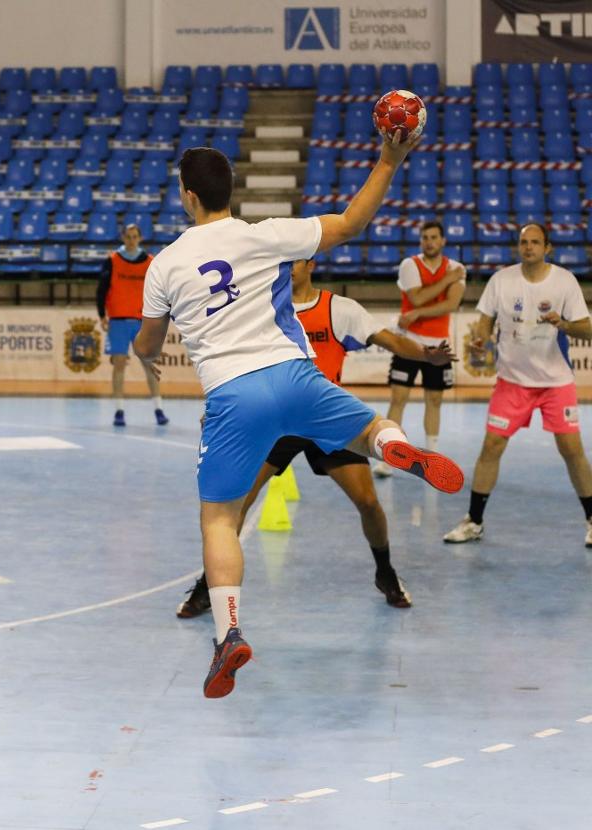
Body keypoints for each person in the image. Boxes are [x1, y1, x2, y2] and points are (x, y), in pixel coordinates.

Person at [133, 138, 464, 699]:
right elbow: (350, 223)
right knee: (366, 429)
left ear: (187, 197)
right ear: (230, 191)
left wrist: (144, 355)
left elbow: (148, 339)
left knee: (219, 518)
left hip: (234, 396)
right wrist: (388, 159)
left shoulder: (163, 265)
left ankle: (228, 631)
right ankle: (396, 447)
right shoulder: (265, 234)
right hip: (295, 375)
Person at [176, 256, 456, 619]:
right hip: (275, 422)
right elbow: (232, 365)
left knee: (369, 503)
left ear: (309, 264)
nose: (284, 269)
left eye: (291, 262)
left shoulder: (339, 309)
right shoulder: (258, 309)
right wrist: (219, 410)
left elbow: (389, 340)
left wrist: (425, 355)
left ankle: (385, 572)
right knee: (235, 507)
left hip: (326, 418)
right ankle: (207, 587)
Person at [444, 224, 592, 545]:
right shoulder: (502, 280)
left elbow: (586, 329)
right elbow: (485, 319)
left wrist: (563, 324)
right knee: (491, 447)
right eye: (524, 242)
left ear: (547, 248)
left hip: (555, 383)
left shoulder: (564, 281)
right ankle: (475, 521)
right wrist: (481, 338)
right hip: (512, 382)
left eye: (535, 242)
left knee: (571, 450)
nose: (528, 248)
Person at [373, 221, 465, 478]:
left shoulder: (458, 268)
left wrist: (417, 314)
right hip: (408, 343)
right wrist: (446, 281)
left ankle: (431, 457)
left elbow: (451, 304)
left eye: (434, 237)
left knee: (434, 401)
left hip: (439, 345)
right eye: (425, 237)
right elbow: (417, 298)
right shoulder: (410, 265)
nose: (430, 242)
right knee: (398, 398)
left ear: (443, 240)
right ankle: (387, 457)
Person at [97, 222, 167, 427]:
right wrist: (102, 314)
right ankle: (119, 410)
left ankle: (159, 409)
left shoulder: (150, 262)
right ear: (123, 238)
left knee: (149, 365)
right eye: (128, 236)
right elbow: (101, 289)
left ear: (140, 238)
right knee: (119, 365)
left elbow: (159, 291)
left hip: (142, 321)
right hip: (118, 320)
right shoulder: (112, 261)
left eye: (135, 236)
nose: (131, 240)